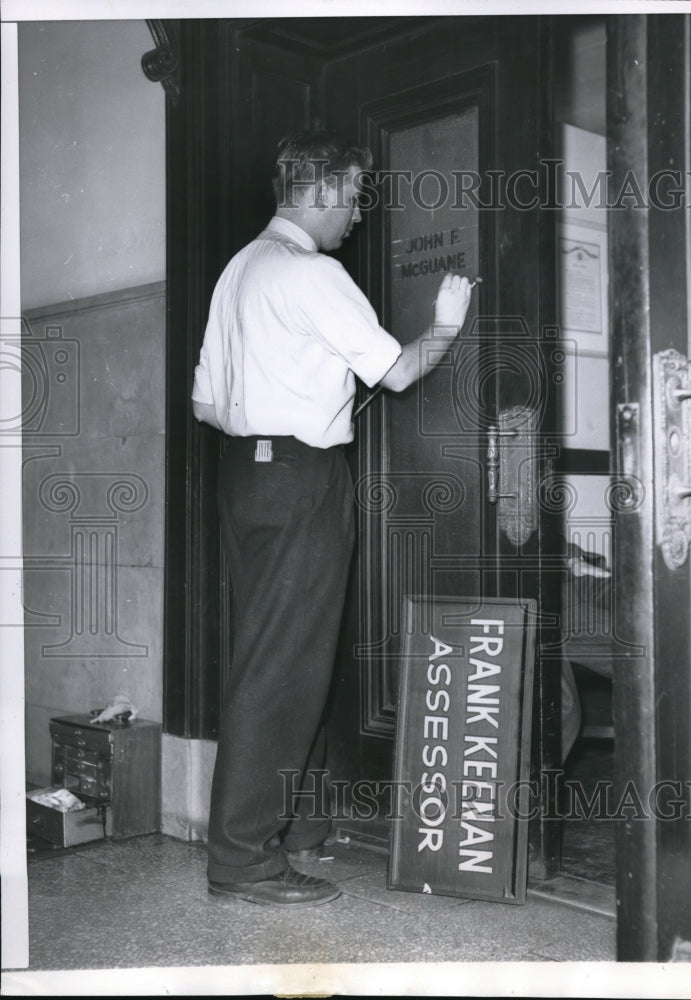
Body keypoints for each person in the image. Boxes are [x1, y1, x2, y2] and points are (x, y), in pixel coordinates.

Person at [191, 130, 473, 907]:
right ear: (319, 192)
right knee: (283, 664)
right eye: (351, 195)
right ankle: (243, 860)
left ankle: (300, 829)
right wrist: (447, 319)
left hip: (245, 476)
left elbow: (206, 403)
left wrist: (293, 400)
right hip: (303, 478)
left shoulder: (237, 271)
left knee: (279, 652)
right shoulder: (316, 274)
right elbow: (401, 370)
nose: (355, 214)